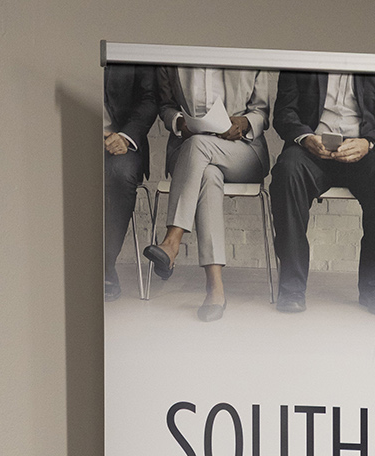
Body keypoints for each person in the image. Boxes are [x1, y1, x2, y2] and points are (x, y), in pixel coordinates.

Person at [269, 73, 375, 316]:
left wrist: (368, 143)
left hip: (365, 150)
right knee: (287, 172)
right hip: (312, 149)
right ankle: (292, 287)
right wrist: (306, 138)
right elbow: (283, 113)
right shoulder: (303, 54)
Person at [143, 68, 272, 321]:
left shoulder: (246, 52)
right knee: (209, 174)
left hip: (243, 151)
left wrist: (244, 123)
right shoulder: (174, 57)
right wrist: (179, 122)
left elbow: (262, 112)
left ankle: (171, 242)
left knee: (199, 147)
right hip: (191, 155)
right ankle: (215, 287)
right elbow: (167, 106)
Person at [102, 63, 157, 300]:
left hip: (120, 138)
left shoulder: (127, 49)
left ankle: (103, 265)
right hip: (70, 134)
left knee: (122, 174)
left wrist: (125, 137)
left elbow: (150, 98)